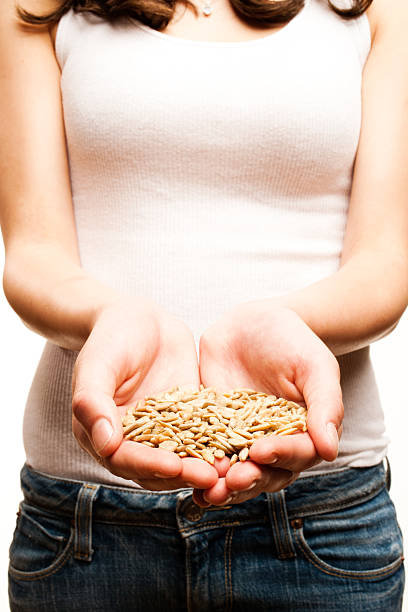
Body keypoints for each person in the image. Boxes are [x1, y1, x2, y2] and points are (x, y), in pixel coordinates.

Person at [1, 0, 406, 609]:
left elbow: (385, 264)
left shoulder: (378, 9)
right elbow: (33, 253)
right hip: (86, 521)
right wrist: (111, 318)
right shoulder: (37, 8)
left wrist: (288, 322)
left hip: (320, 519)